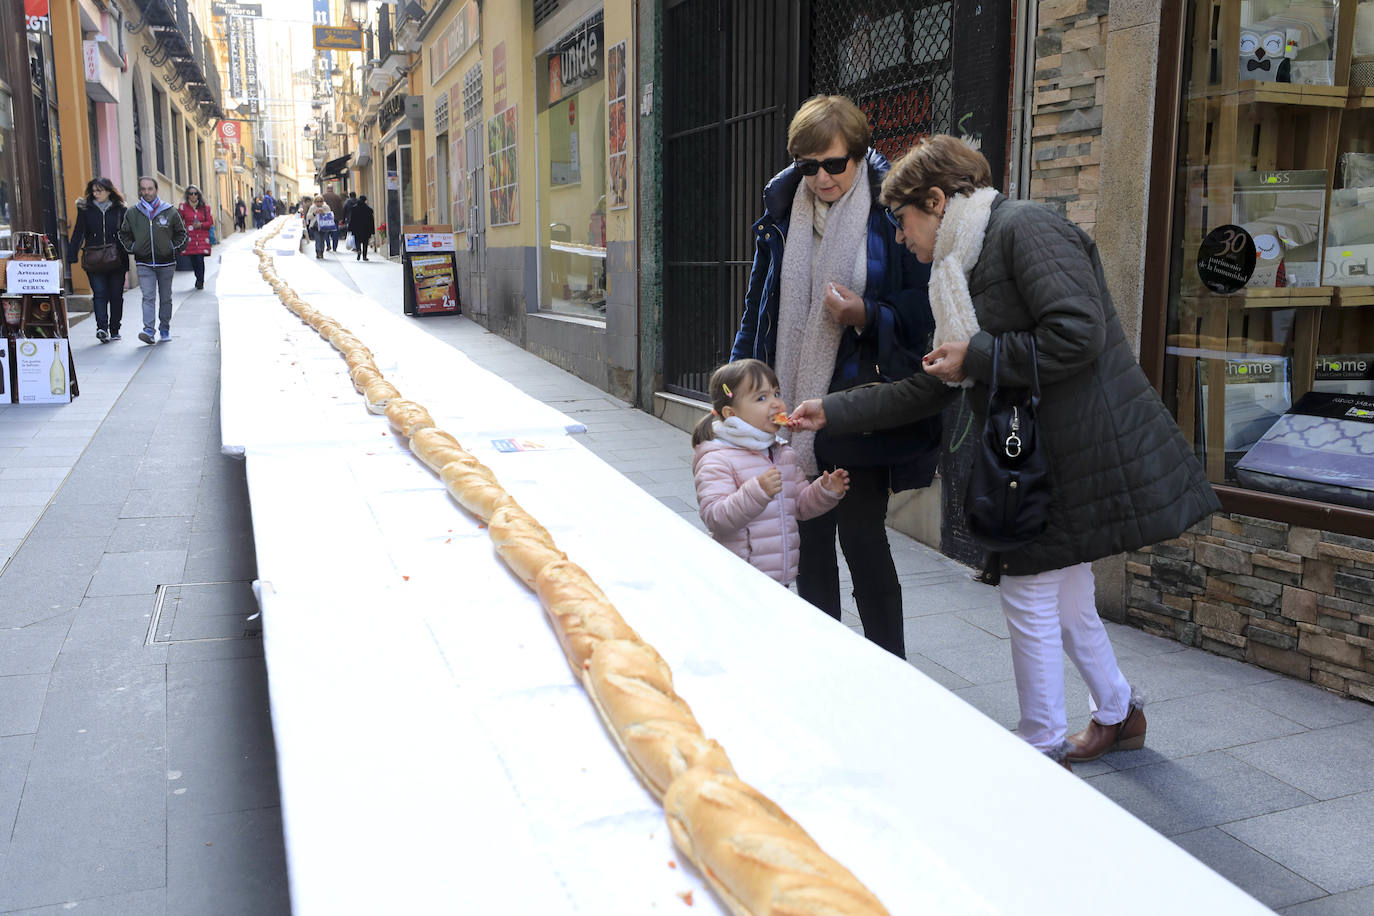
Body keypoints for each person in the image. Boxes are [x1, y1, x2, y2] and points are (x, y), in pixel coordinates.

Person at [788, 135, 1222, 767]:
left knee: (1026, 587)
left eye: (904, 221)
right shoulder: (956, 271)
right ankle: (1119, 713)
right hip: (1041, 452)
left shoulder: (1024, 229)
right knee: (1067, 593)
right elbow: (931, 382)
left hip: (1071, 448)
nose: (903, 238)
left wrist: (983, 354)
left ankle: (1039, 739)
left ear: (936, 202)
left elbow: (1079, 332)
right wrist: (832, 408)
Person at [731, 94, 940, 658]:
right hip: (789, 409)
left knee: (863, 539)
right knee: (808, 541)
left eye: (834, 164)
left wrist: (865, 315)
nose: (821, 178)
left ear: (858, 155)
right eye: (808, 165)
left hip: (858, 407)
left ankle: (889, 668)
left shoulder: (889, 213)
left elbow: (921, 313)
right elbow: (760, 309)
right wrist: (733, 393)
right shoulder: (780, 216)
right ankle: (824, 664)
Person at [692, 359, 850, 587]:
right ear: (731, 413)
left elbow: (799, 506)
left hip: (780, 578)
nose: (776, 403)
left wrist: (824, 492)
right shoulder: (717, 458)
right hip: (738, 579)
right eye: (761, 398)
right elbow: (716, 518)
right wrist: (758, 491)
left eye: (776, 393)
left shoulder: (782, 453)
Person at [118, 176, 187, 345]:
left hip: (166, 263)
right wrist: (134, 248)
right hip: (144, 263)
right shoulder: (133, 213)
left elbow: (182, 234)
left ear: (156, 190)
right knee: (148, 297)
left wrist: (172, 247)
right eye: (143, 189)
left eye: (150, 189)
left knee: (166, 298)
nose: (147, 192)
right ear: (140, 191)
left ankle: (164, 328)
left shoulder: (169, 211)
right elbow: (123, 234)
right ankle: (148, 330)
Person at [67, 177, 129, 342]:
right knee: (99, 294)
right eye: (93, 190)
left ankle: (114, 328)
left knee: (116, 295)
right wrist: (71, 254)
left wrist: (132, 250)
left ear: (109, 191)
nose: (96, 194)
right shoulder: (85, 209)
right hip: (93, 259)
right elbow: (79, 232)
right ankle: (102, 328)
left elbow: (128, 234)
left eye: (99, 190)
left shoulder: (120, 210)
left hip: (117, 259)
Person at [177, 185, 213, 290]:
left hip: (202, 238)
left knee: (199, 259)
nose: (193, 196)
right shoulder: (183, 207)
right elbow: (178, 220)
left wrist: (201, 225)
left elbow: (210, 222)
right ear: (187, 195)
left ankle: (200, 281)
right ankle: (198, 277)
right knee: (193, 260)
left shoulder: (205, 208)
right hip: (190, 239)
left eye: (195, 193)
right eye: (191, 193)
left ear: (198, 195)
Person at [349, 194, 375, 260]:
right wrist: (372, 230)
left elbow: (352, 219)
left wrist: (350, 228)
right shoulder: (368, 209)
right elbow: (371, 221)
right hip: (366, 229)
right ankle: (364, 256)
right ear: (365, 200)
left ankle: (358, 250)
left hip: (356, 228)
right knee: (365, 242)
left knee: (357, 240)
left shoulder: (354, 208)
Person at [306, 195, 332, 259]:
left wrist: (323, 213)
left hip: (323, 226)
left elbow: (330, 216)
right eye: (317, 201)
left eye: (320, 201)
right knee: (318, 239)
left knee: (322, 240)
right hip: (315, 226)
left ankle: (322, 252)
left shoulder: (326, 207)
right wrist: (314, 213)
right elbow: (308, 217)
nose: (319, 203)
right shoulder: (312, 207)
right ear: (315, 202)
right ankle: (318, 252)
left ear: (323, 202)